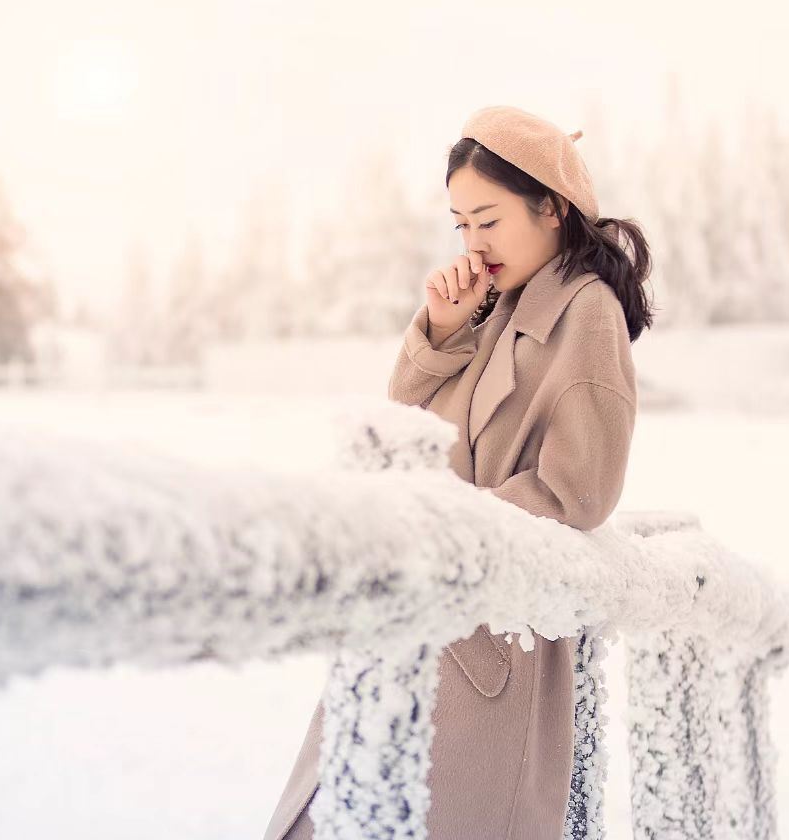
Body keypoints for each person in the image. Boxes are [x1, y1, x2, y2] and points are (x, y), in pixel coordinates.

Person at [261, 105, 654, 840]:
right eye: (460, 224)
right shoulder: (495, 307)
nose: (473, 243)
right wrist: (444, 330)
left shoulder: (584, 315)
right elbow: (401, 431)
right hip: (427, 615)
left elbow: (582, 490)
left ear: (552, 208)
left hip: (492, 646)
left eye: (489, 219)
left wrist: (453, 530)